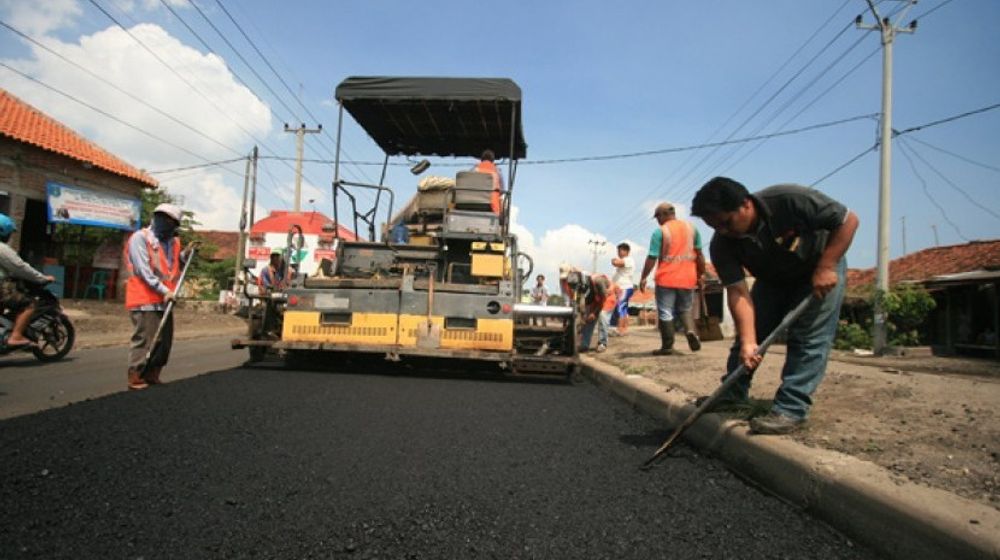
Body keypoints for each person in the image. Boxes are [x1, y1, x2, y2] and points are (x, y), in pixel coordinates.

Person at [690, 177, 859, 435]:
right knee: (748, 339)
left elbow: (848, 220)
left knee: (808, 339)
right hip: (771, 280)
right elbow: (738, 292)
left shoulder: (790, 199)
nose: (723, 231)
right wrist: (749, 341)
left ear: (745, 205)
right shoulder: (722, 244)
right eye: (715, 227)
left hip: (817, 269)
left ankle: (791, 409)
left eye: (726, 223)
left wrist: (827, 266)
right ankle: (731, 395)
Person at [123, 203, 186, 390]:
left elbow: (174, 264)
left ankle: (152, 374)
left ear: (175, 224)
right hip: (145, 298)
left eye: (169, 220)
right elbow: (144, 271)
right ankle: (135, 376)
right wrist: (164, 290)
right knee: (146, 339)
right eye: (161, 217)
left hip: (166, 300)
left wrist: (187, 254)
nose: (164, 222)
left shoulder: (173, 243)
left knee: (163, 342)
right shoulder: (140, 238)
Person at [638, 202, 706, 355]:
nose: (657, 220)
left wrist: (643, 277)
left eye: (657, 217)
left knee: (665, 311)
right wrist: (701, 274)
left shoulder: (660, 232)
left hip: (666, 278)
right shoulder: (692, 229)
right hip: (688, 278)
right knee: (685, 309)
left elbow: (652, 257)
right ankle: (690, 331)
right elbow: (700, 255)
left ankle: (667, 346)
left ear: (663, 215)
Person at [0, 213, 55, 349]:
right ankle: (16, 336)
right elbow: (20, 267)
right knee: (29, 304)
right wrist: (42, 278)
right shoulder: (2, 249)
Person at [577, 273, 618, 353]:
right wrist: (585, 316)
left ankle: (602, 343)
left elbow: (603, 300)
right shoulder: (581, 287)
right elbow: (585, 302)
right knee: (589, 319)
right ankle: (584, 344)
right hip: (596, 300)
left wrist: (594, 313)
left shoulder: (599, 282)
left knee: (603, 316)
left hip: (607, 298)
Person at [610, 242, 635, 336]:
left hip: (624, 288)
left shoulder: (628, 260)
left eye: (620, 251)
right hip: (621, 288)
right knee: (623, 309)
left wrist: (613, 260)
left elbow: (616, 263)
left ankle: (620, 330)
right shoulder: (625, 260)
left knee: (621, 308)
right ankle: (623, 329)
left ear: (626, 251)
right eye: (618, 251)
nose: (619, 253)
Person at [474, 149, 504, 215]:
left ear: (481, 160)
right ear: (493, 160)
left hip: (473, 202)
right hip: (492, 205)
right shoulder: (497, 171)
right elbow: (502, 191)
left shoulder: (474, 169)